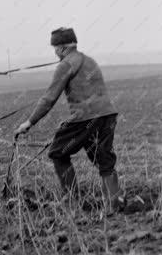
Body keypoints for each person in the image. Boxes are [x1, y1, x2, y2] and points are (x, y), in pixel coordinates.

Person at [14, 27, 125, 214]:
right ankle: (115, 203)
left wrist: (29, 122)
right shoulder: (89, 61)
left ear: (62, 48)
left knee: (58, 153)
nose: (55, 53)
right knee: (104, 160)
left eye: (55, 49)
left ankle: (72, 201)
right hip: (108, 115)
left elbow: (49, 98)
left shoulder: (65, 65)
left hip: (85, 118)